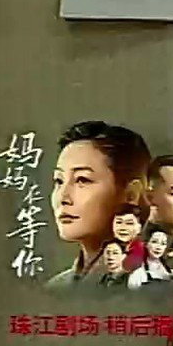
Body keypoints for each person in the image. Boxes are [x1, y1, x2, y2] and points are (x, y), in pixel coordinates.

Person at [46, 121, 152, 294]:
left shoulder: (144, 281)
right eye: (59, 181)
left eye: (82, 180)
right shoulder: (57, 287)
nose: (63, 198)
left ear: (131, 194)